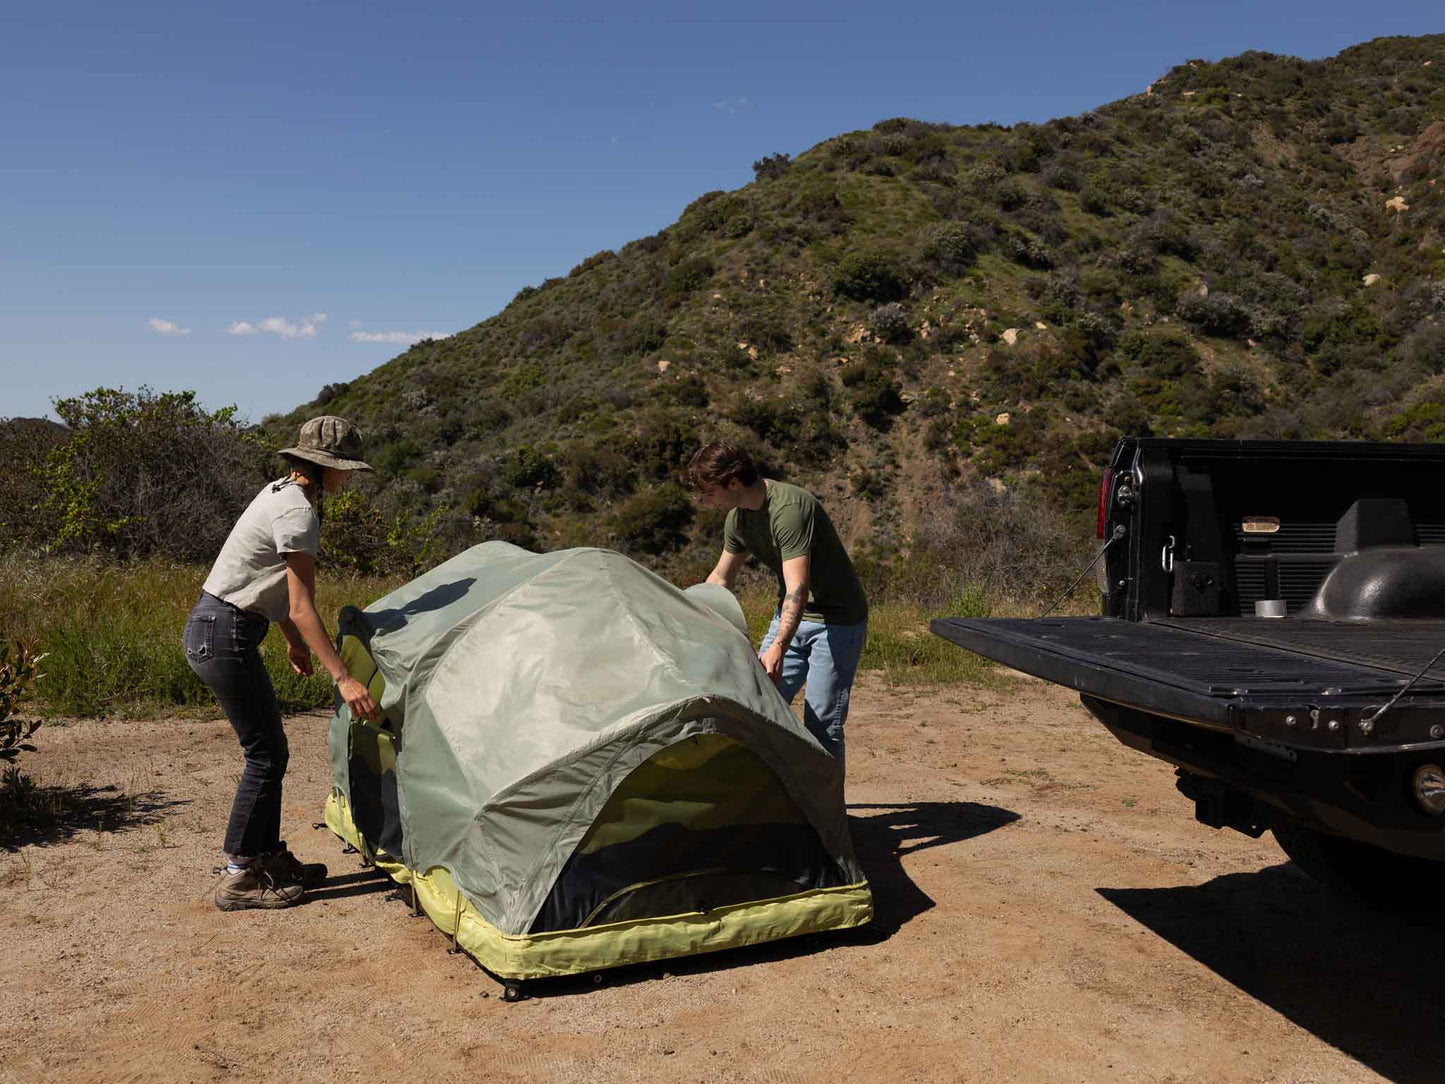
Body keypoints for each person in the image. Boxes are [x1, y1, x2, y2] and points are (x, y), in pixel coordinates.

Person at [185, 415, 380, 911]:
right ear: (326, 467)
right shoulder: (299, 513)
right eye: (346, 469)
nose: (348, 478)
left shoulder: (280, 492)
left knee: (269, 750)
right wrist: (343, 677)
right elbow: (300, 604)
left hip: (218, 626)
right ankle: (239, 876)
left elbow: (269, 585)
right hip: (225, 633)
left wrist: (293, 642)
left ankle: (265, 859)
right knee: (266, 754)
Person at [686, 440, 868, 776]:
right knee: (757, 711)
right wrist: (684, 621)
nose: (705, 501)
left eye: (709, 492)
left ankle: (826, 810)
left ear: (733, 483)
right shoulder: (737, 520)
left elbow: (798, 588)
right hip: (790, 618)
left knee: (822, 724)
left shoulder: (790, 509)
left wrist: (778, 647)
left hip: (837, 622)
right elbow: (720, 579)